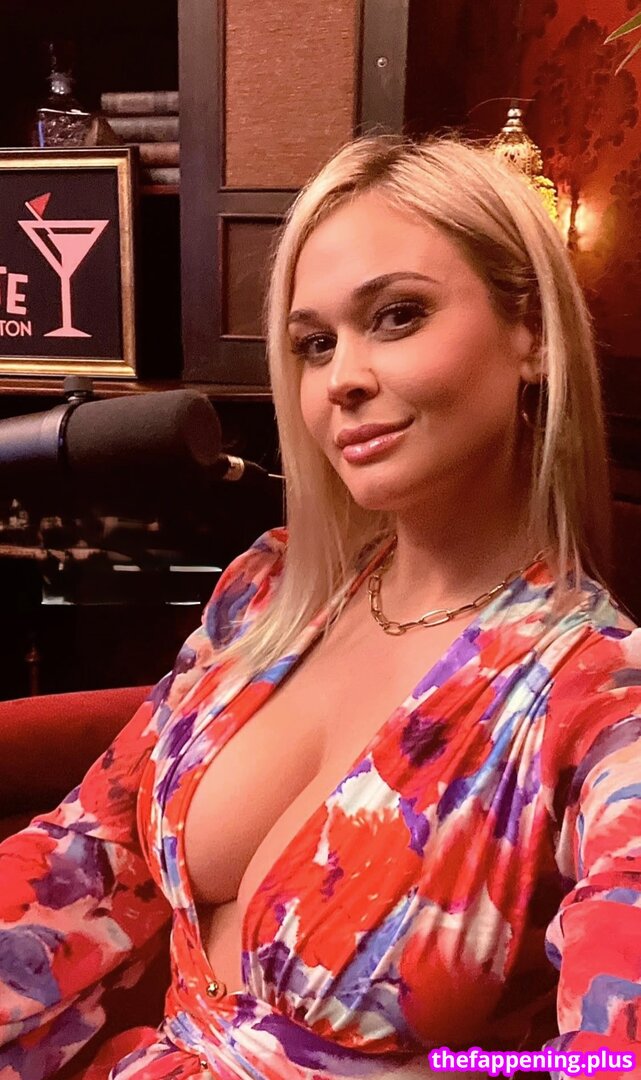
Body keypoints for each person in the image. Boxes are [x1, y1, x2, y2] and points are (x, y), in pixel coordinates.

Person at [0, 134, 639, 1080]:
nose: (340, 377)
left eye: (397, 316)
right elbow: (88, 854)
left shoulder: (601, 697)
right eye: (313, 343)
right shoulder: (269, 588)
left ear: (532, 334)